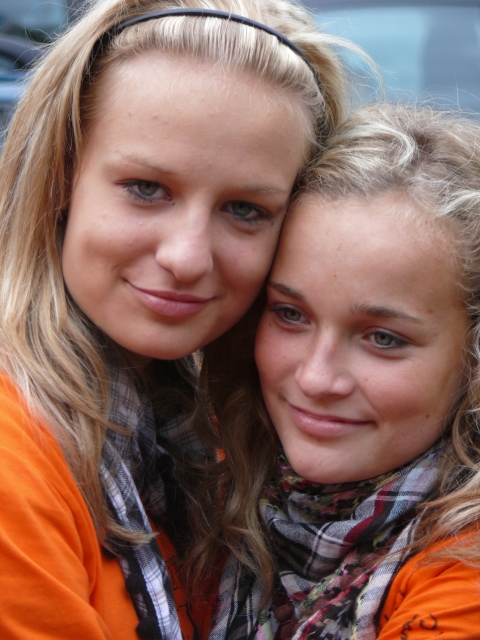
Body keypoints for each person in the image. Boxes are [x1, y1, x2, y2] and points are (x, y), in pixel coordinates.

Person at [0, 0, 356, 638]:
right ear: (60, 175)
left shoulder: (218, 430)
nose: (187, 258)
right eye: (146, 188)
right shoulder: (13, 459)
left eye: (245, 210)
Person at [197, 103, 480, 640]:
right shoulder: (208, 479)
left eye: (383, 338)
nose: (315, 379)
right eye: (290, 314)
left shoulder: (464, 569)